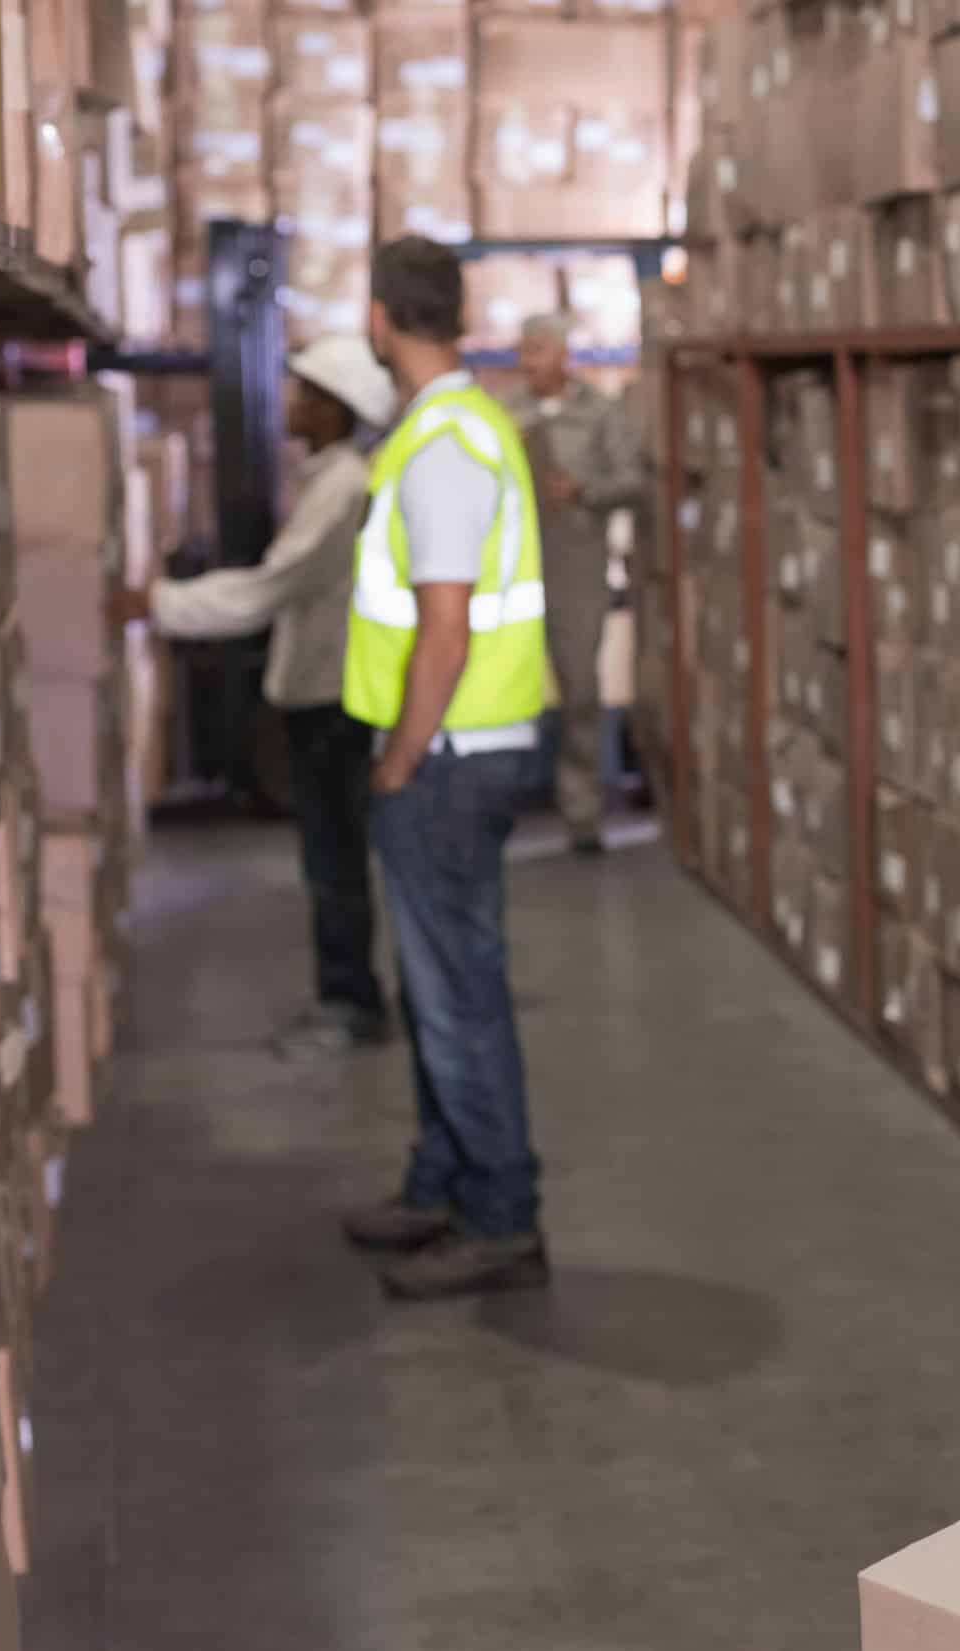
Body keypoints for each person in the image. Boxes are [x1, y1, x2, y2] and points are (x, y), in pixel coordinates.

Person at [338, 235, 553, 1300]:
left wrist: (398, 759)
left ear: (381, 320)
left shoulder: (442, 447)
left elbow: (446, 630)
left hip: (448, 760)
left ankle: (501, 1216)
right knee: (436, 990)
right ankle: (441, 1180)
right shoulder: (452, 427)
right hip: (462, 751)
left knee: (457, 993)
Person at [111, 336, 402, 1051]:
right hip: (317, 687)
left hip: (334, 699)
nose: (292, 405)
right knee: (326, 854)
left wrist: (157, 602)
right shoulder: (329, 477)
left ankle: (350, 1003)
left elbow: (268, 589)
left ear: (334, 408)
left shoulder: (342, 490)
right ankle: (347, 995)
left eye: (304, 393)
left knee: (333, 859)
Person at [514, 313, 648, 855]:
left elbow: (633, 482)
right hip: (518, 562)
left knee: (581, 693)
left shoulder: (599, 413)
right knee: (507, 686)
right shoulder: (507, 412)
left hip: (575, 560)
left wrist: (583, 489)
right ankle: (504, 802)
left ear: (565, 354)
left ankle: (582, 813)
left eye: (540, 349)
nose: (531, 361)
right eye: (525, 350)